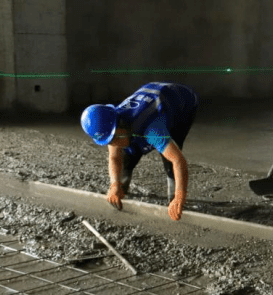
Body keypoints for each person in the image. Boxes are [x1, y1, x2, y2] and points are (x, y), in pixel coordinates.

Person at [80, 82, 199, 221]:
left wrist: (179, 197)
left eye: (114, 138)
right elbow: (114, 157)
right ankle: (122, 187)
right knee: (128, 152)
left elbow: (178, 160)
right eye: (109, 141)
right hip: (151, 95)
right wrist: (114, 185)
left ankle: (173, 197)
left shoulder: (153, 130)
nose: (113, 144)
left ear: (119, 124)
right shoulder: (112, 123)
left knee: (170, 154)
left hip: (182, 102)